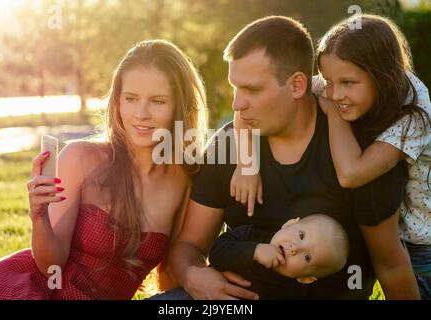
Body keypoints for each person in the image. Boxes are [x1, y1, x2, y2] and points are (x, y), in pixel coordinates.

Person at [166, 15, 419, 300]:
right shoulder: (230, 146)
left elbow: (391, 266)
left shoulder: (362, 155)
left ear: (298, 85)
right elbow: (188, 246)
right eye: (235, 87)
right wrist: (192, 275)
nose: (237, 103)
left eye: (252, 89)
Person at [0, 39, 208, 300]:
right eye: (131, 99)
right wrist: (39, 216)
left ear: (180, 106)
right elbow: (49, 266)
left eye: (158, 101)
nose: (141, 113)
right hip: (30, 291)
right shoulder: (81, 157)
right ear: (118, 102)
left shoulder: (183, 180)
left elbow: (169, 280)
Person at [316, 14, 430, 300]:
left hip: (422, 246)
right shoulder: (346, 80)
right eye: (328, 81)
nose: (335, 93)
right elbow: (291, 86)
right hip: (391, 232)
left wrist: (331, 112)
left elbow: (352, 173)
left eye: (347, 83)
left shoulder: (414, 114)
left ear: (382, 76)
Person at [209, 214, 350, 299]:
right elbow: (216, 253)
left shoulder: (291, 294)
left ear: (305, 279)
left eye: (307, 257)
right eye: (301, 235)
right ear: (289, 224)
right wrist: (255, 250)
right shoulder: (253, 235)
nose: (295, 248)